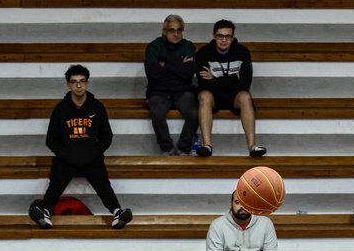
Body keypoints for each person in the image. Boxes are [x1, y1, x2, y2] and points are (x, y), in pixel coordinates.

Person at [29, 64, 132, 231]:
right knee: (57, 178)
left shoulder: (97, 107)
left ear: (87, 83)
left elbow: (107, 136)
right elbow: (51, 140)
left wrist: (93, 152)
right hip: (67, 158)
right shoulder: (61, 108)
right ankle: (45, 211)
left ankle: (117, 212)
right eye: (74, 82)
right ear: (68, 85)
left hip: (91, 158)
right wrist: (67, 154)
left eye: (82, 81)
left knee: (103, 183)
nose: (79, 85)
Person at [194, 20, 266, 158]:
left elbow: (245, 83)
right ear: (214, 36)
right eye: (220, 36)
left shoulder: (242, 51)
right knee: (204, 95)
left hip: (235, 96)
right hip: (213, 96)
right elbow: (204, 84)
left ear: (233, 37)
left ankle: (252, 146)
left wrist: (214, 79)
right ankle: (207, 146)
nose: (224, 40)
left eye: (228, 36)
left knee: (245, 96)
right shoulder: (203, 52)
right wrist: (234, 77)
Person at [144, 14, 199, 156]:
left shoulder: (188, 46)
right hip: (159, 91)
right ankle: (167, 148)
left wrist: (165, 64)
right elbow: (154, 75)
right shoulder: (153, 47)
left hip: (183, 90)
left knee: (194, 113)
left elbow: (188, 73)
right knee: (156, 112)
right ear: (164, 31)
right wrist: (179, 65)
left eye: (179, 30)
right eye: (171, 30)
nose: (176, 34)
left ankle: (183, 149)